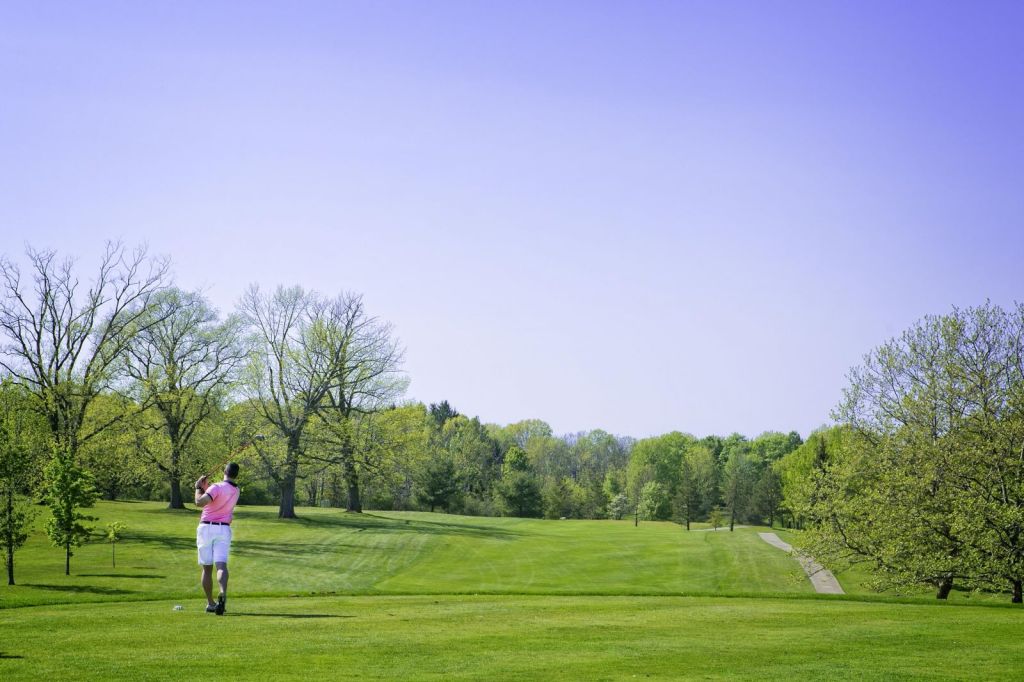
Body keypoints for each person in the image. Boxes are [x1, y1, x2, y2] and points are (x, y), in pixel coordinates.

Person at [194, 462, 241, 615]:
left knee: (207, 568)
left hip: (206, 528)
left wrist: (198, 488)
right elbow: (217, 498)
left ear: (224, 471)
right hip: (224, 529)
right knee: (221, 566)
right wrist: (206, 487)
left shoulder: (216, 487)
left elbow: (199, 502)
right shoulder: (236, 490)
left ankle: (211, 603)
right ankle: (222, 592)